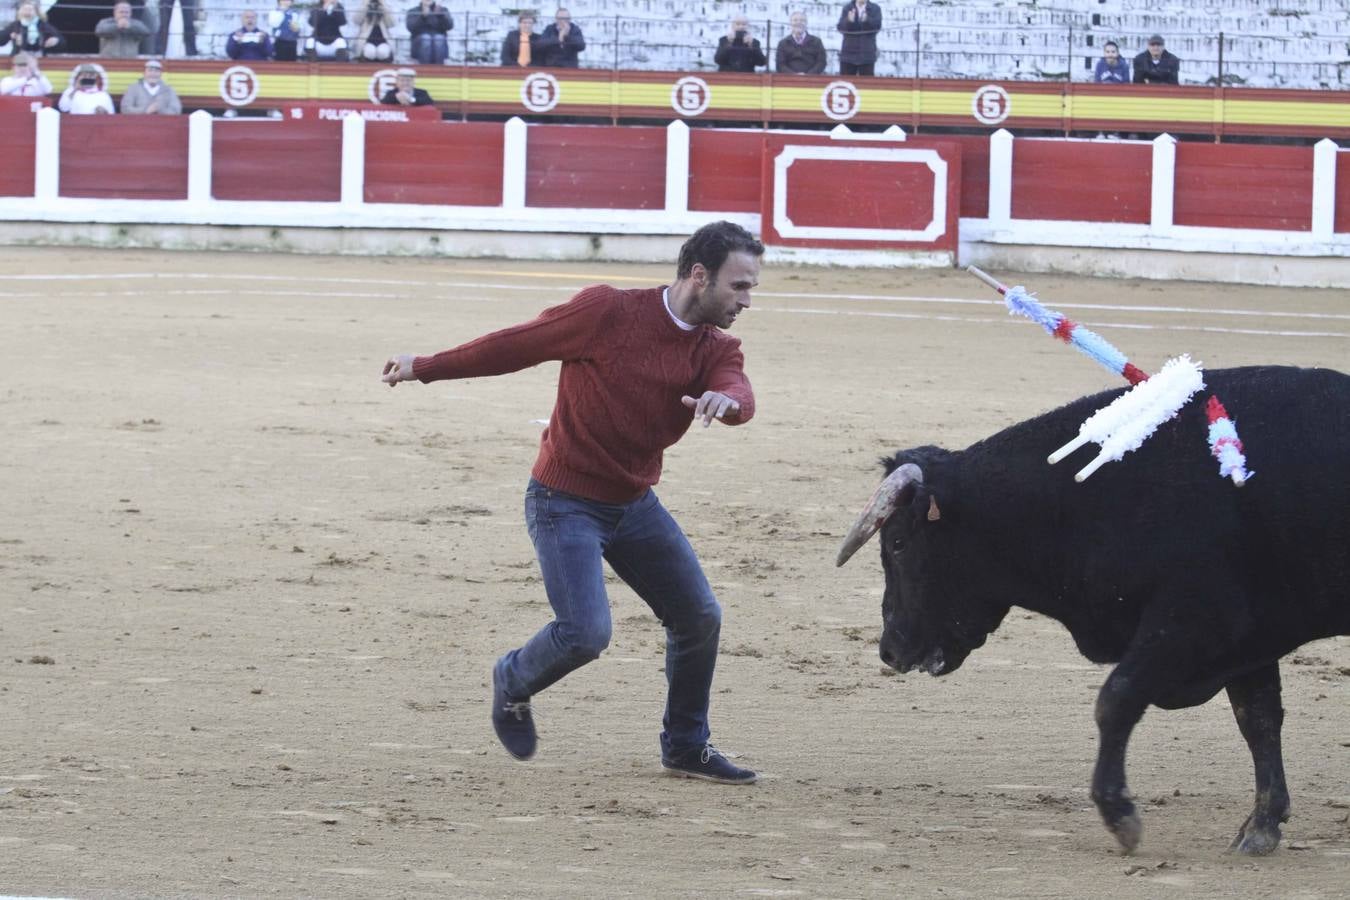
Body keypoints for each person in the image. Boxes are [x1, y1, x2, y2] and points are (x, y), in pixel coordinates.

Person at [379, 221, 765, 785]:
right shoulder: (607, 312)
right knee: (586, 633)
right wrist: (428, 366)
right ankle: (513, 678)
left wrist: (726, 401)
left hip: (633, 503)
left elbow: (738, 389)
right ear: (699, 276)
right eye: (739, 286)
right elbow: (516, 345)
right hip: (564, 500)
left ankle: (685, 746)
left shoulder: (716, 346)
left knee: (698, 615)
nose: (747, 301)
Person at [837, 0, 881, 77]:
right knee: (847, 83)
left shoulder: (875, 8)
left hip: (867, 55)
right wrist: (849, 21)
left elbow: (877, 27)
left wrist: (867, 20)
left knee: (867, 85)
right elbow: (840, 27)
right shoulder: (847, 8)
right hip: (848, 55)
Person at [406, 0, 452, 66]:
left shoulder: (443, 10)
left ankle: (439, 68)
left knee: (438, 38)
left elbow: (449, 26)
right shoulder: (413, 11)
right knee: (426, 38)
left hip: (438, 42)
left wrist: (441, 15)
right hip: (419, 43)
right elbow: (410, 27)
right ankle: (424, 67)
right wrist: (422, 16)